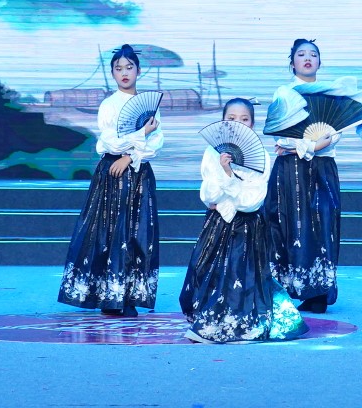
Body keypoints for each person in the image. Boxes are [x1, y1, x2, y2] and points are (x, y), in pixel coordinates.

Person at [179, 98, 306, 343]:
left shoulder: (261, 156)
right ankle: (208, 317)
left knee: (239, 277)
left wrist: (228, 178)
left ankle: (225, 325)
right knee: (204, 271)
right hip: (216, 225)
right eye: (231, 118)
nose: (238, 123)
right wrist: (224, 186)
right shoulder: (212, 152)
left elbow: (252, 201)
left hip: (246, 228)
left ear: (253, 124)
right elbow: (208, 195)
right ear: (222, 122)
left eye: (244, 119)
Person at [265, 38, 362, 314]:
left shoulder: (331, 94)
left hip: (323, 168)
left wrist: (306, 146)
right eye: (301, 54)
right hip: (290, 171)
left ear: (320, 62)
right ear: (292, 63)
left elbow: (333, 135)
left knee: (323, 224)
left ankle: (320, 292)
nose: (307, 58)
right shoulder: (284, 92)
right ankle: (291, 287)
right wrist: (310, 145)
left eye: (313, 54)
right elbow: (280, 136)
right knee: (289, 224)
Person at [58, 45, 162, 316]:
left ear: (138, 70)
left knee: (137, 233)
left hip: (138, 173)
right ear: (112, 73)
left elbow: (156, 143)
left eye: (129, 67)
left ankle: (128, 297)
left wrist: (130, 156)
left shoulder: (150, 105)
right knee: (109, 232)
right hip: (112, 174)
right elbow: (109, 141)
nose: (124, 72)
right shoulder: (109, 104)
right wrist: (138, 138)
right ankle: (108, 296)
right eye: (118, 68)